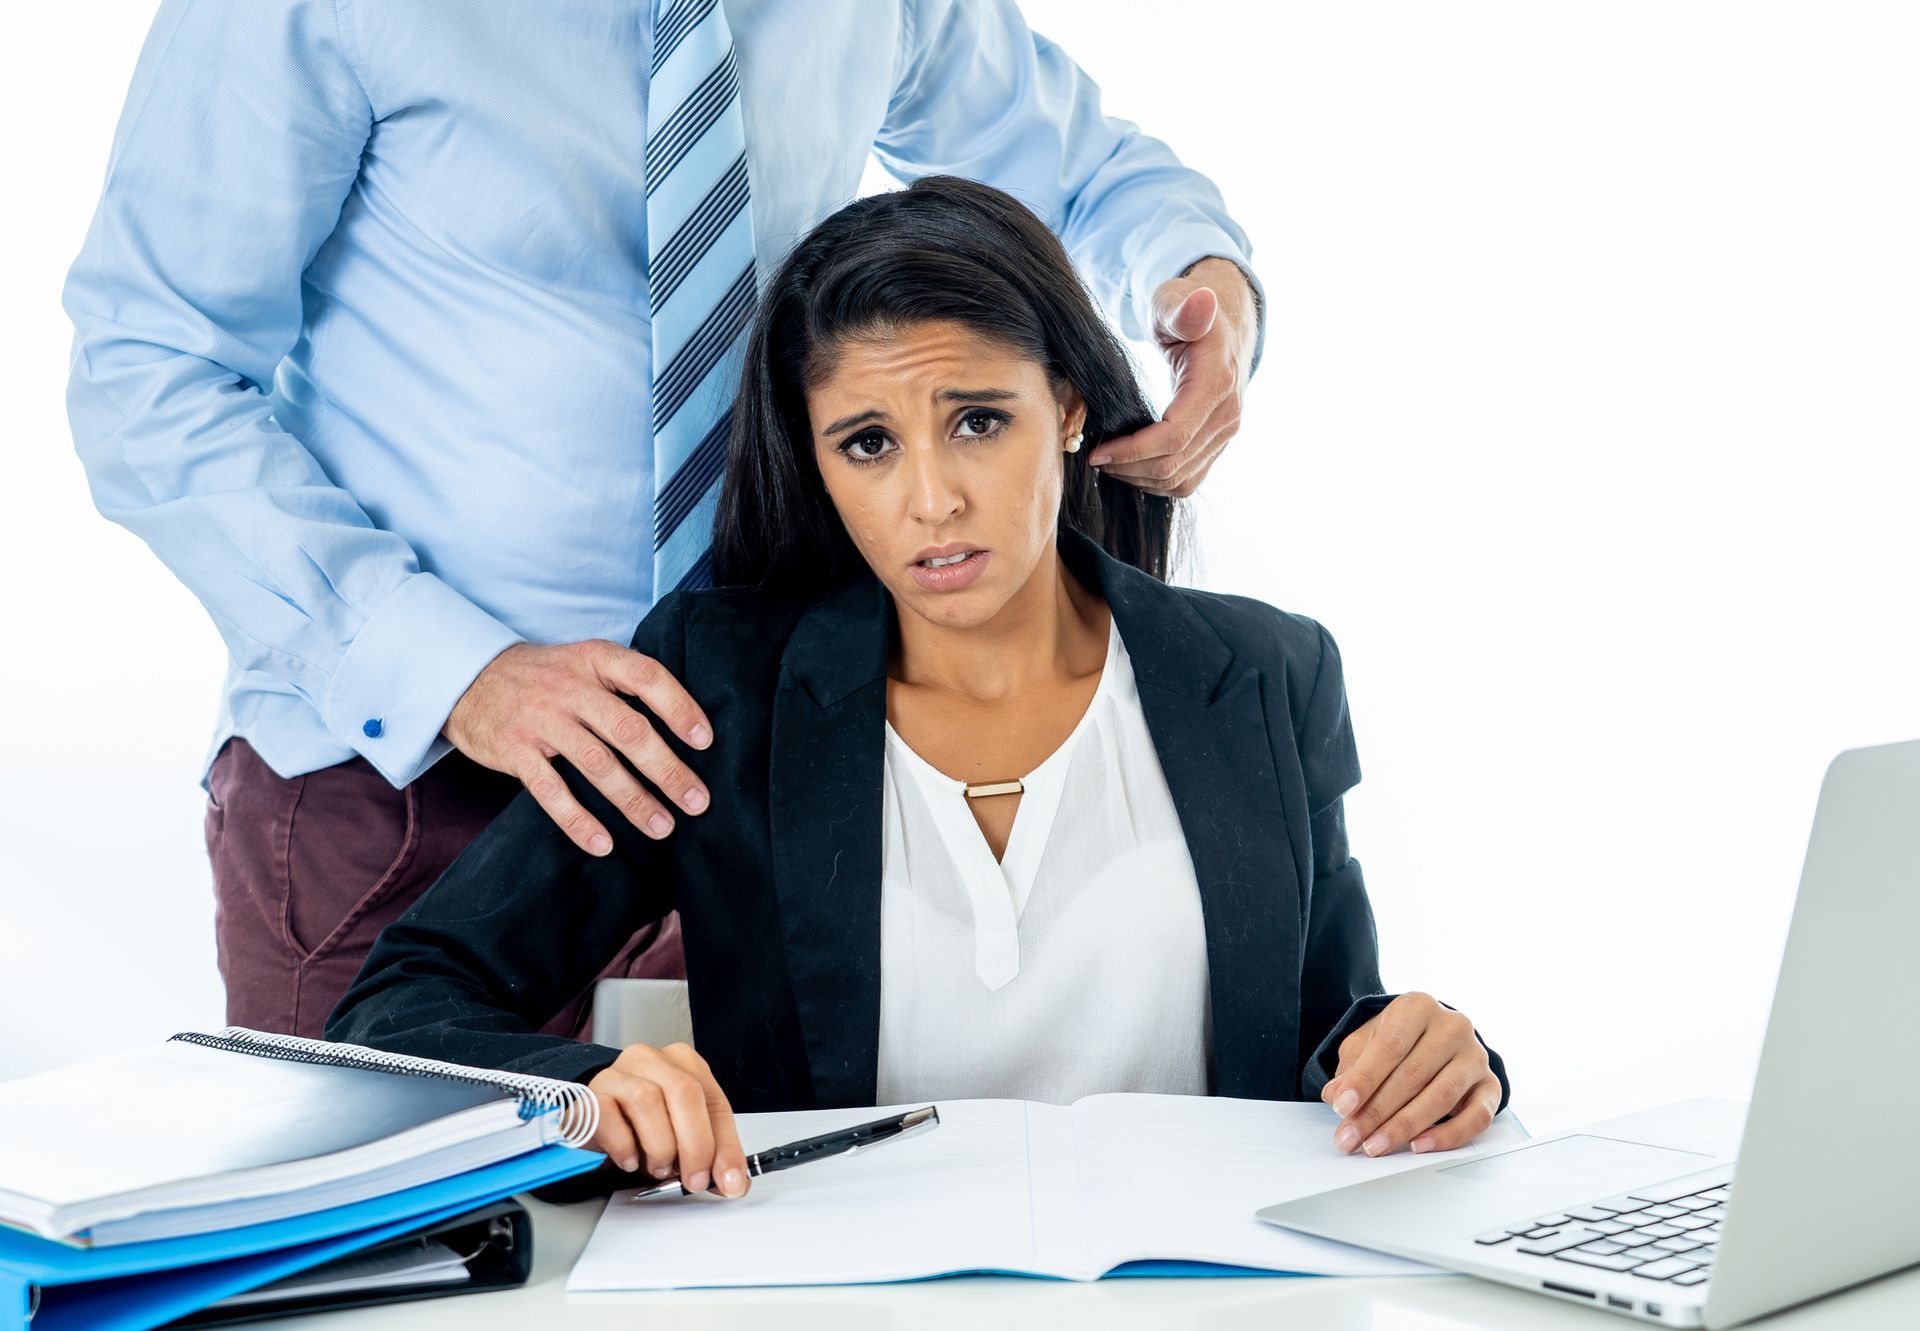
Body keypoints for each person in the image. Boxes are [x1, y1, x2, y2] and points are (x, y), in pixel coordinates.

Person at [61, 0, 1266, 1041]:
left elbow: (1085, 168)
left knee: (754, 1255)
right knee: (391, 1289)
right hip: (404, 790)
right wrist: (457, 671)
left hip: (744, 773)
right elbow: (149, 362)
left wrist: (1201, 289)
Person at [327, 175, 1510, 1202]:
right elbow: (400, 1004)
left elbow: (1328, 1033)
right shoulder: (722, 686)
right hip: (838, 1299)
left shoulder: (1262, 673)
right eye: (869, 443)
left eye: (978, 421)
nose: (930, 499)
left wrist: (1435, 1055)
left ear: (1070, 407)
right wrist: (587, 1090)